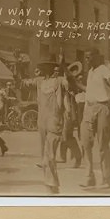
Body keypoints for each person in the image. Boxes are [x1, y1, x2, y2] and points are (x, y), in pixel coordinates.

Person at [77, 48, 110, 189]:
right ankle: (89, 178)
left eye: (89, 57)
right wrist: (73, 82)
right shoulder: (90, 72)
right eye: (86, 58)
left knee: (102, 145)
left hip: (102, 108)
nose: (87, 60)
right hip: (89, 108)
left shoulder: (103, 70)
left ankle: (107, 179)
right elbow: (89, 90)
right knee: (85, 143)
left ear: (96, 57)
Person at [37, 63, 71, 194]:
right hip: (43, 122)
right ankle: (50, 183)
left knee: (50, 155)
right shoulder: (41, 83)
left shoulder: (60, 81)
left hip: (54, 121)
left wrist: (67, 114)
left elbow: (66, 97)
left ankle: (53, 183)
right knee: (45, 156)